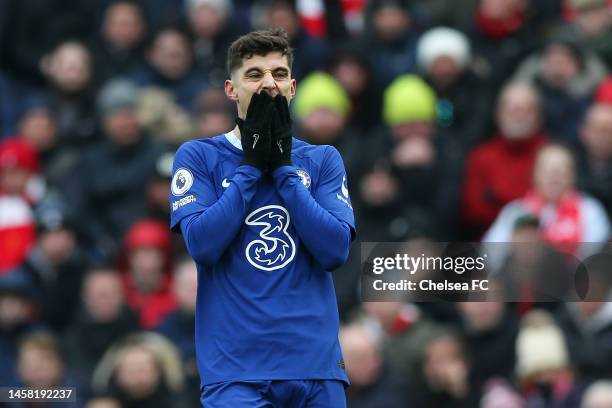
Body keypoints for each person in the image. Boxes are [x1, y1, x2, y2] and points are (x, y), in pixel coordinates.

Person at [169, 28, 355, 407]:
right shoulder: (198, 156)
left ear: (292, 87)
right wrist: (252, 166)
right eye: (254, 74)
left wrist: (284, 168)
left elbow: (335, 250)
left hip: (315, 367)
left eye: (279, 74)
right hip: (236, 372)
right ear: (231, 89)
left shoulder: (322, 159)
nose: (269, 83)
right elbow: (202, 246)